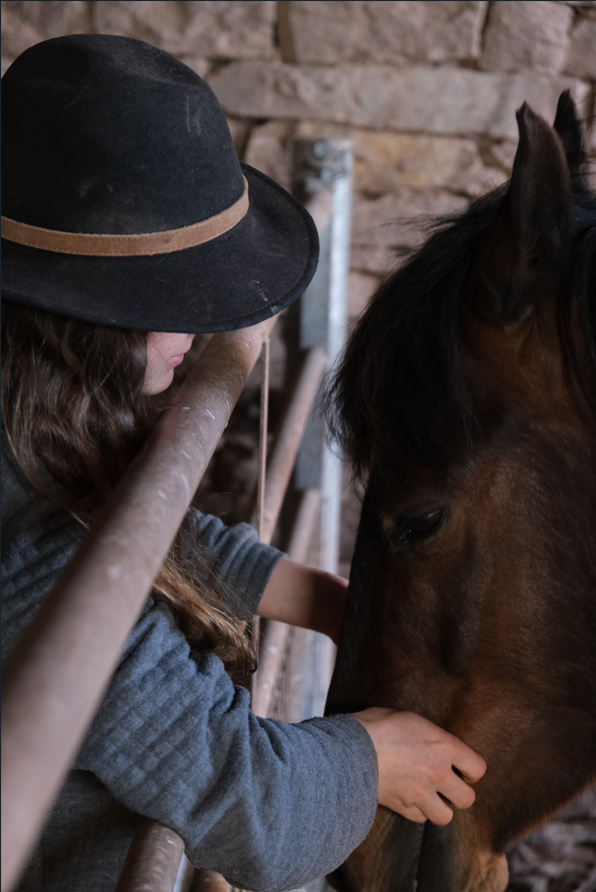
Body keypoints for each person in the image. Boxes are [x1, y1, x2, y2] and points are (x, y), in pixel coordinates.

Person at [1, 34, 486, 892]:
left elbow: (149, 530)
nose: (200, 331)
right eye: (172, 303)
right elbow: (245, 799)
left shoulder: (35, 429)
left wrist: (331, 601)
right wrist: (372, 760)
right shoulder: (38, 570)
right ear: (77, 322)